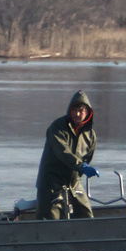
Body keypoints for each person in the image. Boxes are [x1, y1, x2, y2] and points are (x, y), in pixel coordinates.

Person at [36, 90, 98, 220]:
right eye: (74, 110)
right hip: (52, 183)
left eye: (81, 110)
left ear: (87, 112)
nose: (77, 114)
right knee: (50, 220)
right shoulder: (57, 127)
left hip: (74, 183)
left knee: (87, 216)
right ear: (70, 110)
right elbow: (62, 152)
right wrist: (81, 166)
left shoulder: (90, 135)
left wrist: (84, 168)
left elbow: (88, 157)